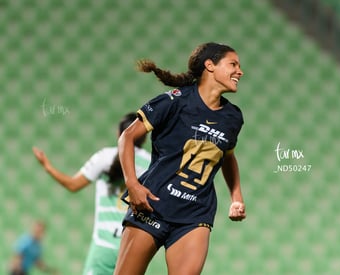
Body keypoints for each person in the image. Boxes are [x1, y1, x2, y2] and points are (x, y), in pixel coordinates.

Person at [114, 42, 247, 275]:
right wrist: (132, 184)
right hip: (152, 205)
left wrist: (236, 197)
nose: (240, 71)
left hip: (195, 214)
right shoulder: (173, 101)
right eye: (233, 64)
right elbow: (127, 137)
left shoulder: (233, 117)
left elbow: (227, 156)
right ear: (210, 66)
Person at [32, 112, 151, 275]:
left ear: (119, 134)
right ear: (144, 138)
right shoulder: (151, 164)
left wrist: (47, 166)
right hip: (132, 246)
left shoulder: (104, 157)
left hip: (103, 245)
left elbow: (73, 185)